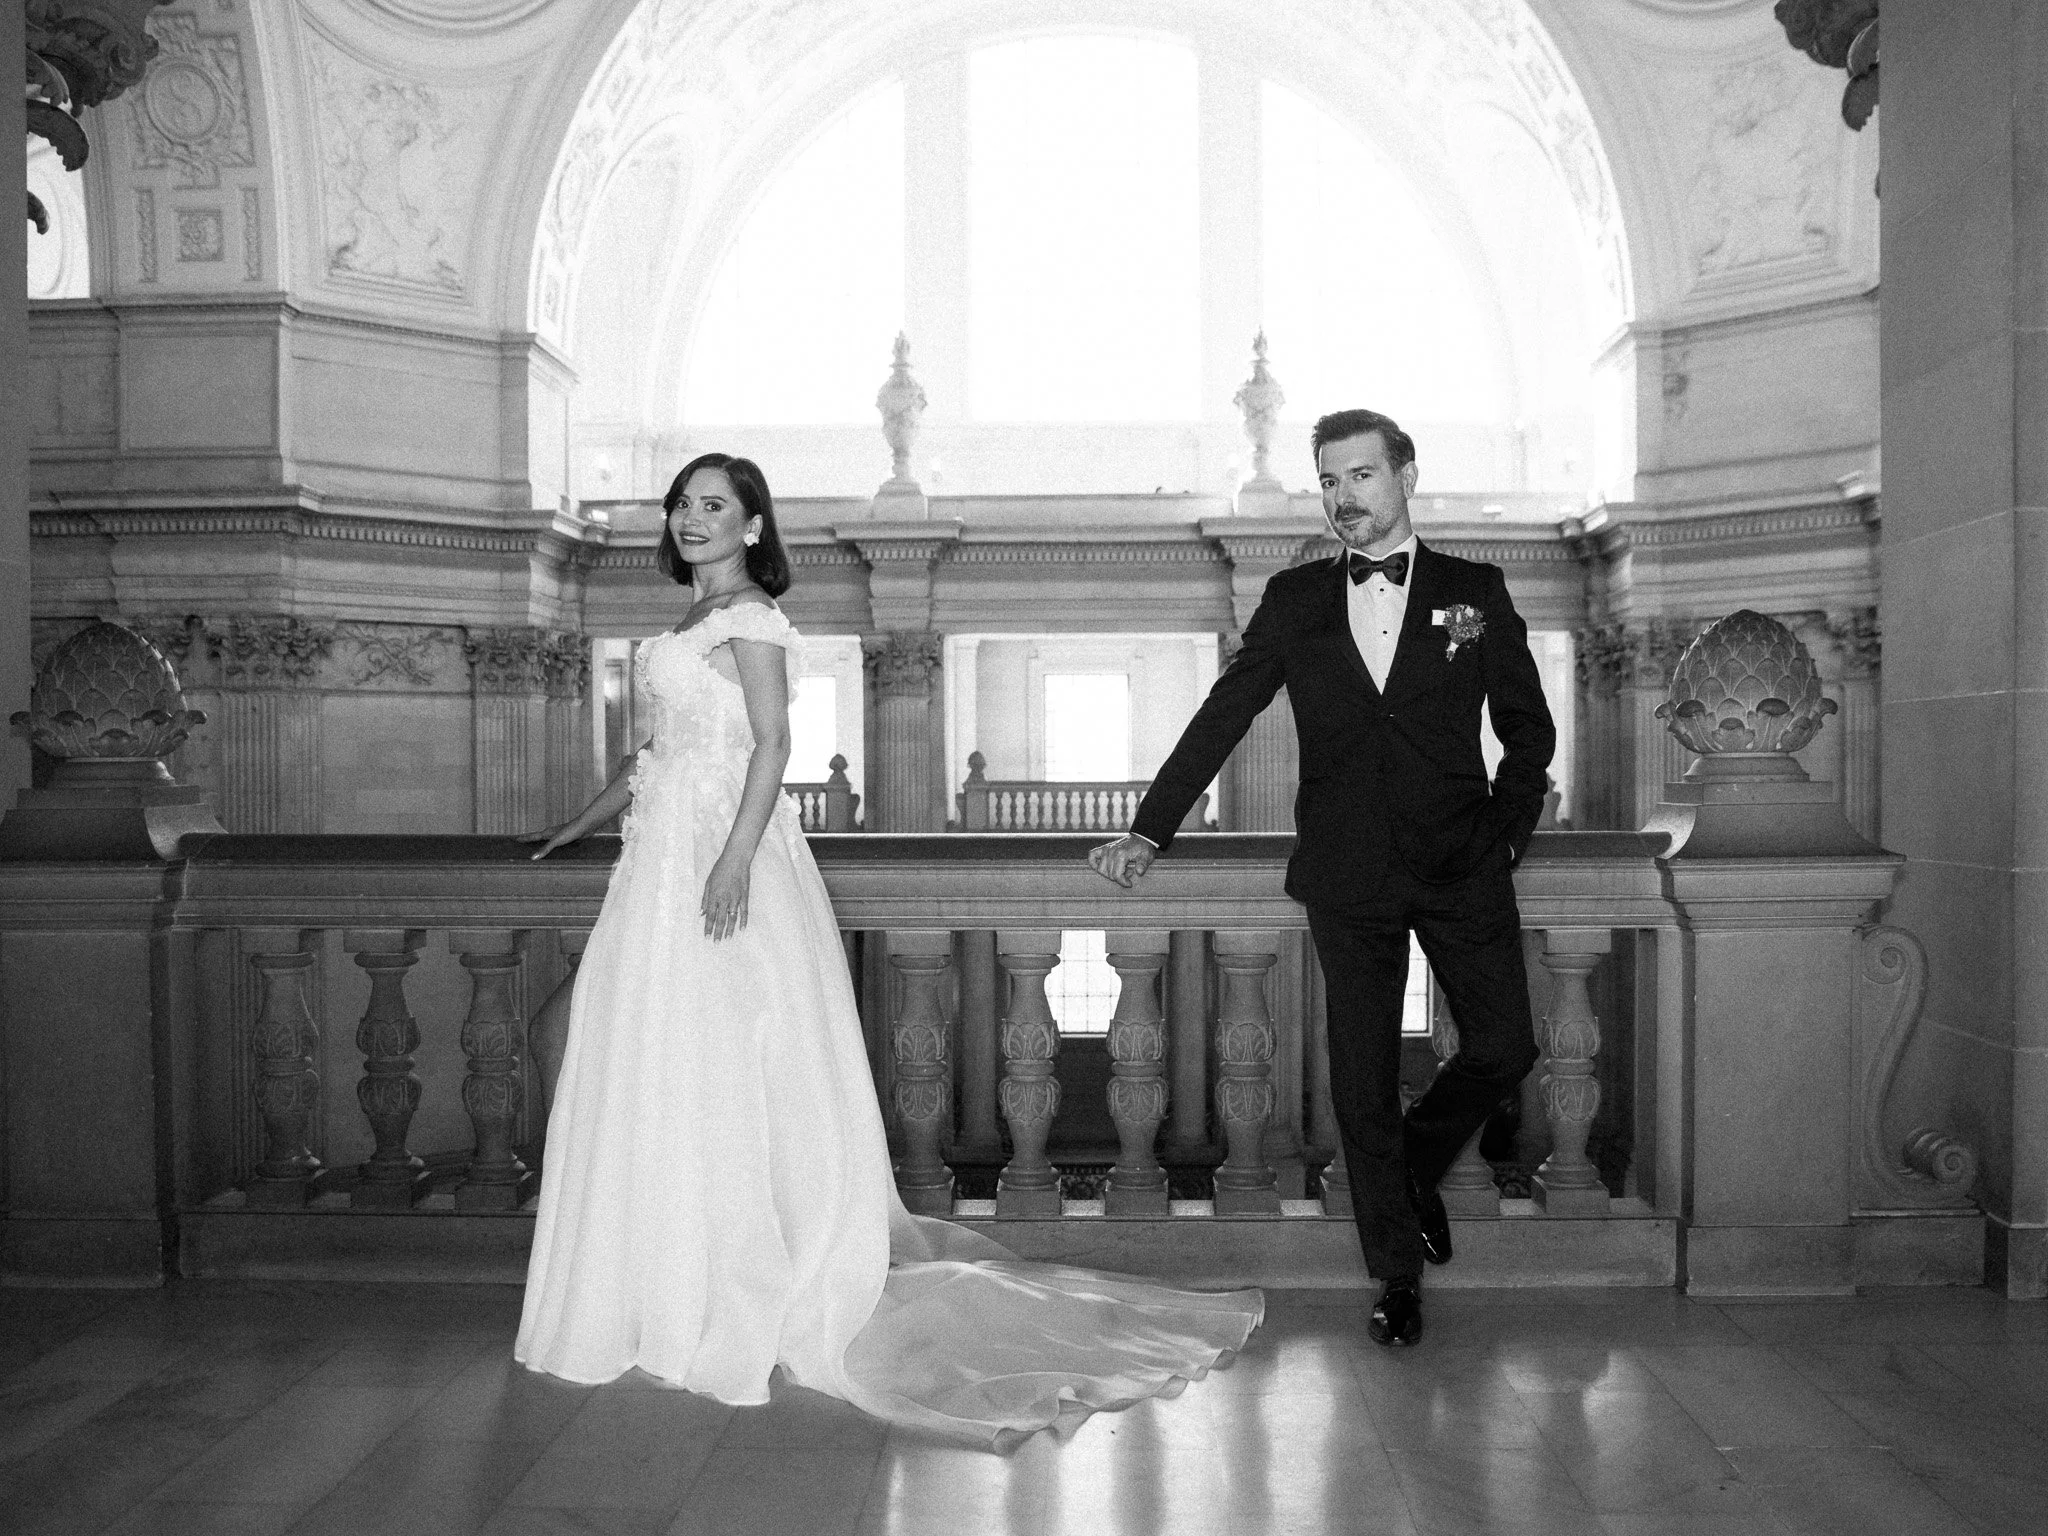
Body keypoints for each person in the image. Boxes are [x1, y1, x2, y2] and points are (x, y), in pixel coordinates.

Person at [515, 451, 1261, 1445]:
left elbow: (774, 747)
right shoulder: (686, 623)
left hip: (719, 865)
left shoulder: (751, 621)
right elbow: (657, 752)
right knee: (656, 1061)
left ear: (750, 527)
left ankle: (734, 1282)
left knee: (727, 1061)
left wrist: (733, 862)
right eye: (681, 504)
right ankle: (663, 1277)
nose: (691, 519)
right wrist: (581, 824)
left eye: (713, 506)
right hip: (654, 865)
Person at [1090, 408, 1554, 1349]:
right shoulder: (1296, 598)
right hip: (1348, 873)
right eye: (1330, 482)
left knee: (1505, 1046)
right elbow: (1225, 714)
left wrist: (1504, 836)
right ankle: (1396, 1275)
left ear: (1406, 476)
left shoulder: (1474, 590)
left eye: (1361, 477)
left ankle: (1414, 1167)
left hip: (1464, 864)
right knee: (1363, 1080)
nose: (1345, 499)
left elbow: (1527, 729)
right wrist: (1151, 829)